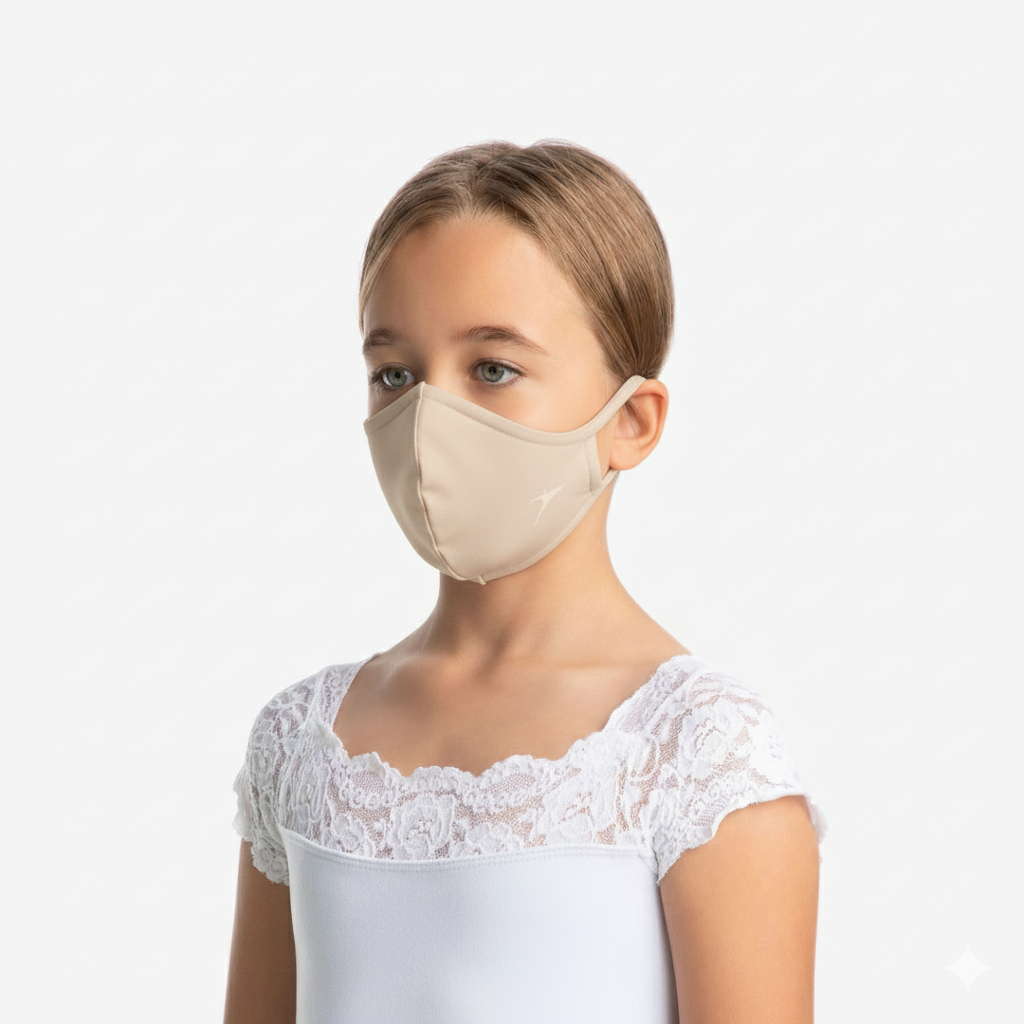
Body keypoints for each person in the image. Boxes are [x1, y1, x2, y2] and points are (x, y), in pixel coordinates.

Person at [224, 140, 828, 1024]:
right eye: (395, 374)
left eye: (494, 369)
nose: (428, 417)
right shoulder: (301, 740)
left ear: (631, 421)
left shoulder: (700, 753)